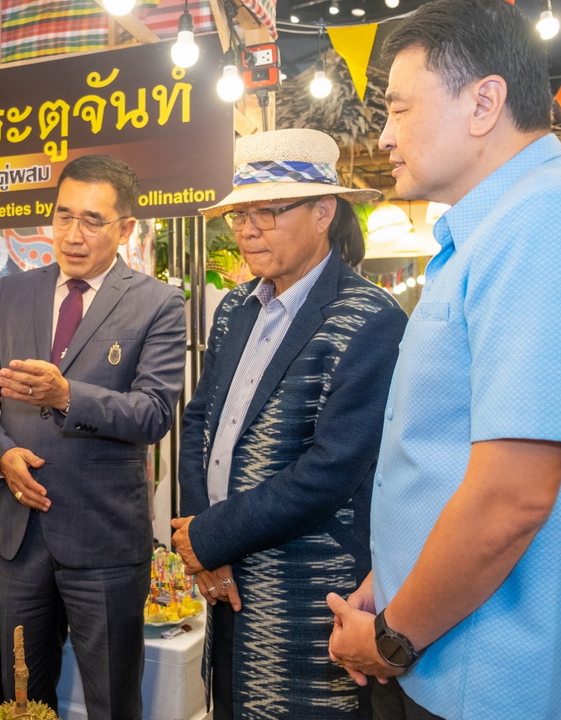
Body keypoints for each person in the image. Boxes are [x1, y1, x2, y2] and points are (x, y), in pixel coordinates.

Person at [326, 2, 561, 719]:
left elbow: (511, 498)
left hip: (491, 676)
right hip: (447, 643)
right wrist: (394, 575)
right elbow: (448, 450)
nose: (383, 136)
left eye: (399, 109)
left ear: (484, 102)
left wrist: (390, 638)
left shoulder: (548, 219)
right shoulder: (492, 231)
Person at [169, 128, 407, 720]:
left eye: (268, 212)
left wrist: (208, 537)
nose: (247, 229)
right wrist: (204, 537)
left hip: (306, 588)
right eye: (240, 214)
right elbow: (199, 420)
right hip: (224, 579)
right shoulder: (235, 307)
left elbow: (331, 470)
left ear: (324, 211)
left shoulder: (367, 317)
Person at [0, 154, 185, 719]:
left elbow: (154, 413)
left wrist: (67, 397)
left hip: (103, 541)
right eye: (62, 217)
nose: (73, 235)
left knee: (111, 700)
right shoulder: (14, 294)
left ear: (125, 228)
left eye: (92, 221)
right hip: (17, 539)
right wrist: (1, 454)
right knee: (20, 699)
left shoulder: (157, 303)